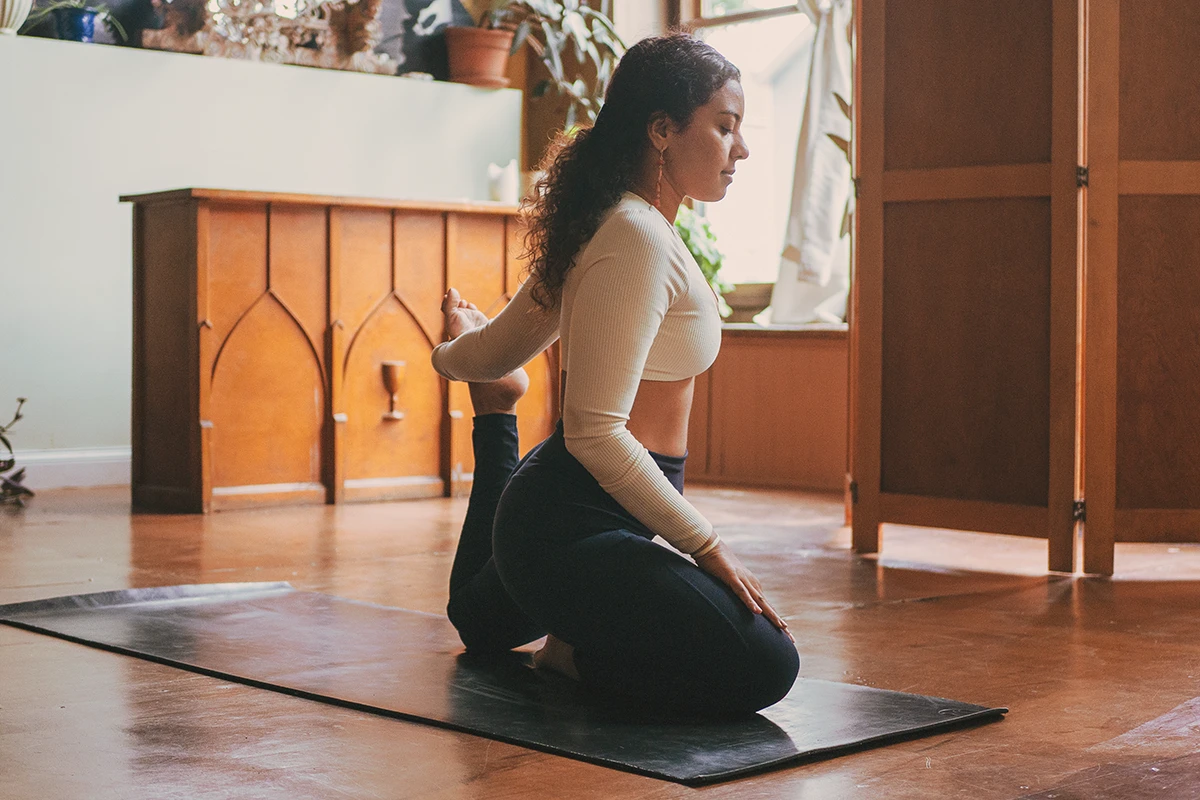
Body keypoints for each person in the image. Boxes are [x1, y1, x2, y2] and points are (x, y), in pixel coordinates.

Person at [430, 33, 798, 718]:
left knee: (480, 628)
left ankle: (497, 416)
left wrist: (451, 358)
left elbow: (493, 351)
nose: (740, 150)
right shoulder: (634, 235)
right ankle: (571, 655)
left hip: (559, 512)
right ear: (661, 130)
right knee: (768, 666)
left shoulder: (613, 222)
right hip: (576, 523)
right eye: (725, 127)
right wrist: (709, 549)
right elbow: (596, 434)